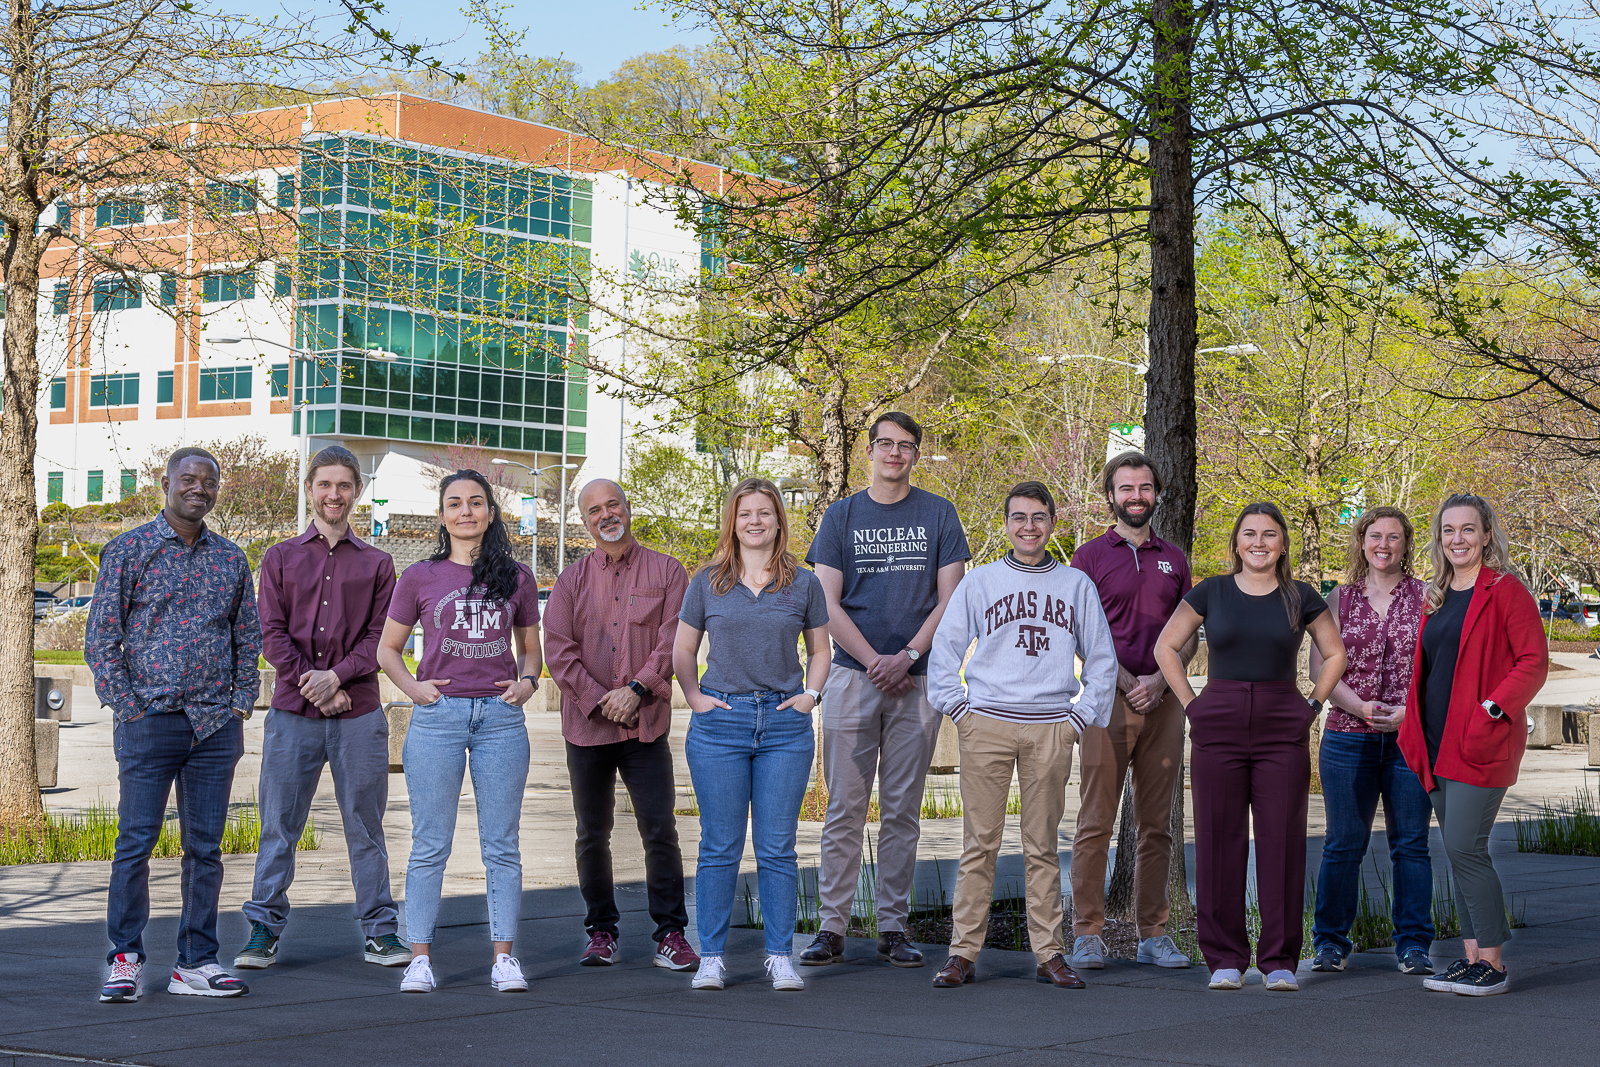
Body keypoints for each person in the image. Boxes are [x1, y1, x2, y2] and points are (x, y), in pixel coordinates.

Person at [927, 482, 1118, 991]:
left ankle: (1049, 953)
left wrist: (1080, 718)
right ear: (1006, 524)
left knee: (1041, 847)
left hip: (1050, 726)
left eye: (1038, 517)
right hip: (985, 722)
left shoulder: (1075, 585)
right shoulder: (981, 582)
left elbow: (1102, 658)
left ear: (1051, 523)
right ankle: (962, 952)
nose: (1028, 526)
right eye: (1018, 517)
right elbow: (945, 650)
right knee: (979, 845)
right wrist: (960, 709)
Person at [89, 448, 260, 1002]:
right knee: (135, 843)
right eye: (189, 479)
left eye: (209, 482)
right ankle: (126, 957)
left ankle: (196, 962)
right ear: (165, 482)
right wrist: (127, 705)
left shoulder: (231, 560)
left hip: (214, 726)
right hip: (149, 721)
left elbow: (246, 640)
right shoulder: (128, 550)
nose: (199, 488)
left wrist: (240, 703)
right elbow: (101, 639)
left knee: (205, 849)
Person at [1153, 502, 1346, 993]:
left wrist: (1312, 705)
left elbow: (1335, 653)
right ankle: (1224, 958)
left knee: (1282, 839)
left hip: (1284, 721)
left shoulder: (1300, 596)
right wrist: (1193, 705)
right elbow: (1165, 648)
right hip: (1218, 719)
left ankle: (1280, 960)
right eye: (1249, 534)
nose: (1259, 542)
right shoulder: (1212, 591)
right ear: (1236, 543)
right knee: (1219, 839)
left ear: (1282, 543)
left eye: (1269, 534)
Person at [800, 411, 970, 969]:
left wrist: (909, 657)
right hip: (852, 676)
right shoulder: (841, 515)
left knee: (902, 810)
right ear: (869, 451)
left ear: (917, 454)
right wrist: (876, 661)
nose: (895, 453)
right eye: (885, 444)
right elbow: (824, 601)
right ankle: (831, 928)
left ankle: (893, 927)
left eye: (906, 446)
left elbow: (951, 599)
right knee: (845, 808)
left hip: (917, 682)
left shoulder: (939, 513)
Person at [234, 446, 409, 972]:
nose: (334, 494)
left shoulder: (379, 563)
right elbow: (271, 633)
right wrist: (315, 685)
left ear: (357, 491)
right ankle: (263, 929)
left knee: (365, 823)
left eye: (344, 485)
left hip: (358, 714)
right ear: (310, 489)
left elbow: (381, 637)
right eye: (325, 485)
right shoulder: (280, 557)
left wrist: (337, 677)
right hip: (293, 713)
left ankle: (381, 932)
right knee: (279, 824)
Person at [376, 470, 543, 994]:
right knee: (430, 844)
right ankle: (420, 958)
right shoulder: (420, 577)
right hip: (438, 718)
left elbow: (531, 649)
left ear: (491, 513)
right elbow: (387, 650)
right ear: (442, 514)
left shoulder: (517, 576)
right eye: (455, 503)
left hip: (499, 720)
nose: (466, 511)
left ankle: (503, 959)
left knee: (502, 845)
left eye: (476, 503)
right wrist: (414, 688)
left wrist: (528, 682)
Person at [672, 478, 830, 992]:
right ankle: (712, 956)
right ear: (733, 522)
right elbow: (682, 649)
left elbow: (822, 650)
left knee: (777, 847)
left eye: (765, 512)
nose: (756, 521)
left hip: (785, 725)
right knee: (719, 844)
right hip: (720, 724)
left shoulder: (803, 583)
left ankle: (781, 955)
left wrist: (811, 694)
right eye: (746, 514)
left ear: (779, 521)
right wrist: (694, 697)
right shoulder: (708, 582)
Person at [542, 479, 698, 971]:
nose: (606, 514)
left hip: (645, 723)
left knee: (660, 830)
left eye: (613, 504)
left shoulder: (669, 571)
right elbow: (558, 652)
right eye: (594, 510)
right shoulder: (570, 581)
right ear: (584, 521)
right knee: (592, 832)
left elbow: (673, 640)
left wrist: (634, 691)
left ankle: (670, 934)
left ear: (628, 509)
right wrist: (600, 700)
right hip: (587, 728)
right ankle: (601, 933)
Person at [1398, 494, 1545, 997]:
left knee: (1466, 847)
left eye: (1467, 529)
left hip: (1479, 741)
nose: (1457, 539)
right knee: (1459, 852)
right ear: (1439, 539)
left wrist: (1494, 709)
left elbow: (1532, 660)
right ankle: (1470, 958)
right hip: (1436, 742)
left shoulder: (1505, 590)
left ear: (1486, 535)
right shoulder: (1435, 594)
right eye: (1448, 530)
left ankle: (1496, 964)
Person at [1068, 452, 1196, 971]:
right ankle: (1087, 935)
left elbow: (1188, 635)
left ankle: (1153, 934)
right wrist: (1125, 681)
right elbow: (1077, 633)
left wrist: (1160, 682)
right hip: (1106, 701)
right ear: (1111, 496)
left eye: (1145, 487)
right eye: (1126, 488)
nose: (1136, 496)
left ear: (1156, 494)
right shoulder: (1089, 557)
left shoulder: (1176, 558)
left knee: (1156, 825)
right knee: (1095, 822)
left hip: (1164, 704)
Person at [1308, 506, 1435, 976]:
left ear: (1406, 544)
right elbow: (1319, 668)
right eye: (1375, 536)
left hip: (1409, 739)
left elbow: (1438, 670)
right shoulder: (1338, 599)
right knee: (1344, 842)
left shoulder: (1428, 598)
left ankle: (1414, 945)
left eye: (1394, 537)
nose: (1384, 545)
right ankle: (1330, 944)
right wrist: (1357, 706)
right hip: (1346, 736)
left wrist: (1408, 715)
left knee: (1411, 844)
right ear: (1362, 542)